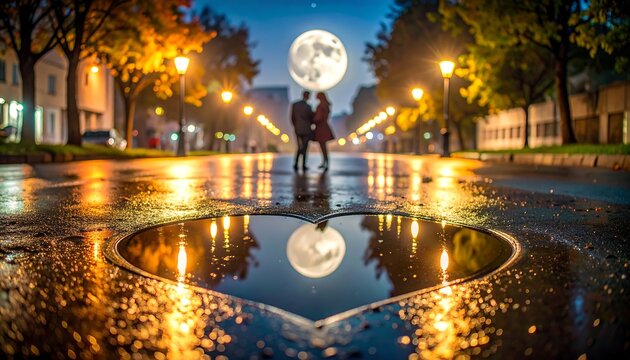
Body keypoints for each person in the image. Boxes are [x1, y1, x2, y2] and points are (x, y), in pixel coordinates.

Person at [290, 91, 314, 171]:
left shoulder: (295, 105)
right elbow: (311, 118)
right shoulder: (308, 107)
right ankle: (303, 164)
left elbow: (292, 117)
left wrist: (296, 125)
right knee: (304, 147)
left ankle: (296, 163)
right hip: (306, 129)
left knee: (299, 146)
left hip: (298, 128)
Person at [313, 92, 334, 171]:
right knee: (323, 146)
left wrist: (312, 120)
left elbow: (318, 117)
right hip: (324, 126)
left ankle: (325, 162)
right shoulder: (326, 105)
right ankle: (325, 162)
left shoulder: (321, 106)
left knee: (323, 146)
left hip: (321, 127)